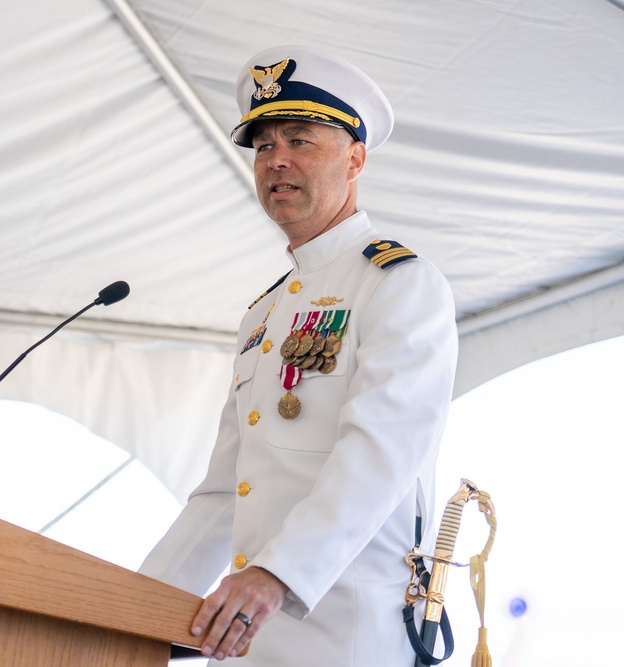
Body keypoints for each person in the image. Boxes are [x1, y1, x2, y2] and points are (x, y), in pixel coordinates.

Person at [138, 45, 459, 665]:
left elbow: (382, 454)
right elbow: (225, 492)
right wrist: (132, 606)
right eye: (263, 147)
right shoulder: (265, 313)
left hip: (353, 640)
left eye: (300, 139)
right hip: (255, 643)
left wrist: (277, 574)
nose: (277, 160)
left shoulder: (398, 284)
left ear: (356, 158)